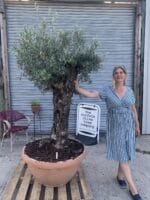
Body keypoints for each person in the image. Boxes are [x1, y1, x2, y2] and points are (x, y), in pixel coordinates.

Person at [75, 65, 142, 200]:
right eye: (116, 73)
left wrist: (137, 124)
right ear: (113, 76)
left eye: (121, 72)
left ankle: (120, 176)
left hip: (128, 126)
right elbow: (91, 94)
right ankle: (133, 189)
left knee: (126, 154)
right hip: (115, 127)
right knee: (123, 155)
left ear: (125, 75)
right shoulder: (107, 91)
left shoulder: (129, 91)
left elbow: (133, 108)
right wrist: (77, 87)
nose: (119, 74)